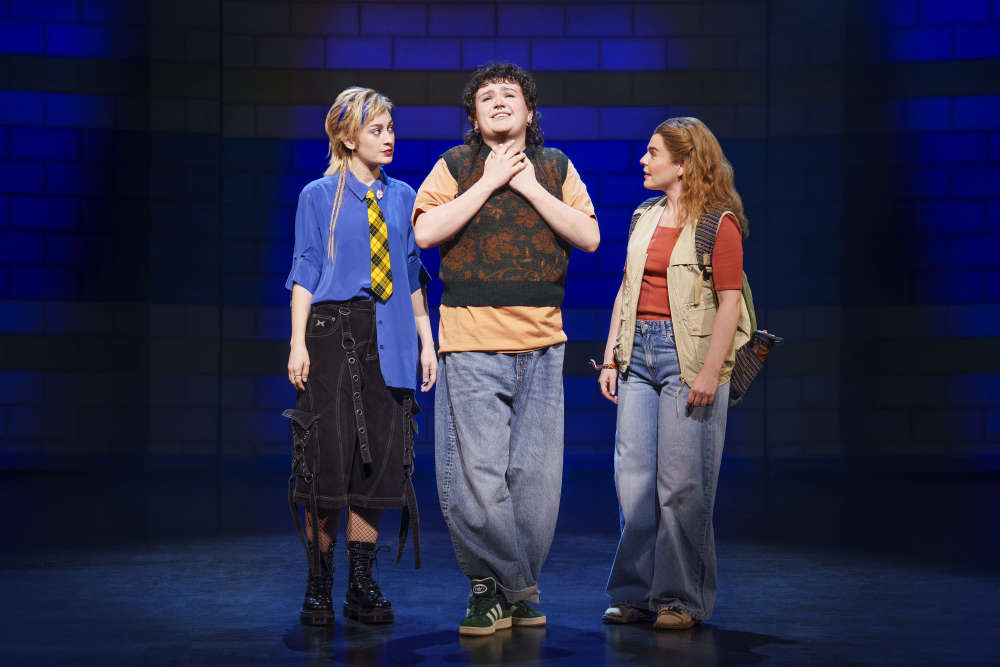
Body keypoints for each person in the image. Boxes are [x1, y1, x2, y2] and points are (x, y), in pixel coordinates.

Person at [412, 62, 600, 636]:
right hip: (471, 341)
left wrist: (527, 186)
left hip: (542, 343)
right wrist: (489, 182)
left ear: (530, 111)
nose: (498, 102)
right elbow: (425, 232)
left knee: (536, 483)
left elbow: (589, 236)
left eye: (509, 94)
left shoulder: (556, 166)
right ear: (473, 116)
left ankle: (508, 589)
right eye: (486, 97)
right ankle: (499, 590)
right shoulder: (454, 165)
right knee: (477, 478)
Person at [283, 86, 435, 627]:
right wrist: (297, 341)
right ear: (348, 137)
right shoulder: (318, 195)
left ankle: (362, 582)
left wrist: (427, 339)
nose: (388, 138)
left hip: (389, 335)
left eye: (391, 128)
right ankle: (319, 582)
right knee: (326, 466)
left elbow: (411, 271)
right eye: (376, 129)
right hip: (332, 333)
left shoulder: (403, 195)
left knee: (378, 466)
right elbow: (305, 269)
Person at [597, 117, 752, 630]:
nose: (643, 161)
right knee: (634, 483)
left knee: (681, 487)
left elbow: (730, 302)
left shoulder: (717, 223)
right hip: (638, 355)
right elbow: (627, 288)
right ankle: (634, 594)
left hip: (688, 359)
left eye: (653, 153)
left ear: (683, 164)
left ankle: (680, 599)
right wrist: (612, 355)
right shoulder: (644, 215)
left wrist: (710, 371)